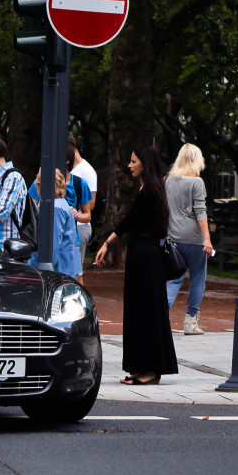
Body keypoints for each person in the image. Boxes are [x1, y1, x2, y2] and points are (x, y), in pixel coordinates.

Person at [93, 145, 178, 386]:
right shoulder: (148, 188)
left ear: (144, 164)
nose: (129, 165)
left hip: (147, 258)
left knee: (146, 311)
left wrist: (107, 242)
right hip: (142, 256)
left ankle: (150, 370)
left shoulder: (150, 189)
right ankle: (141, 366)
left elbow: (128, 221)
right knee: (138, 311)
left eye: (133, 161)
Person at [164, 143, 214, 335]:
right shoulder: (196, 182)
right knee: (198, 278)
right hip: (194, 237)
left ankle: (160, 315)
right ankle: (190, 321)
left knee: (173, 279)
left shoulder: (168, 179)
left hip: (173, 236)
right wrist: (207, 239)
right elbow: (200, 211)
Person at [28, 170, 83, 279]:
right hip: (65, 268)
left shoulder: (54, 207)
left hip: (58, 271)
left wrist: (42, 269)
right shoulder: (60, 203)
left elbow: (52, 245)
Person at [66, 134, 98, 260]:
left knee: (75, 270)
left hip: (79, 226)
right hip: (63, 227)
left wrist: (69, 207)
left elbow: (91, 204)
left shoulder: (87, 171)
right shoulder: (60, 169)